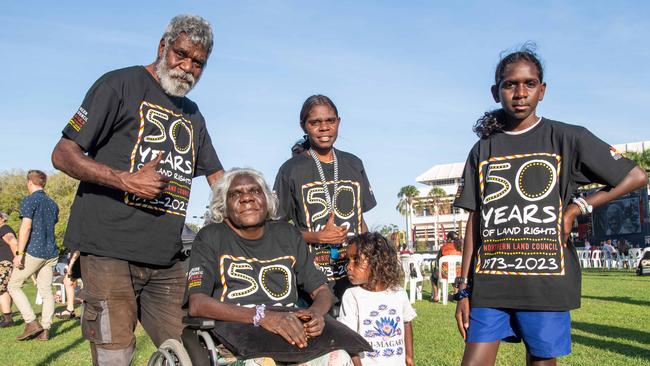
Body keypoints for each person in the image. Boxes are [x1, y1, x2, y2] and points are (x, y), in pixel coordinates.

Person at [453, 45, 648, 366]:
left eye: (529, 84)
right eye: (510, 84)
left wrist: (577, 208)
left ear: (542, 91)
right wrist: (463, 288)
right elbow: (475, 219)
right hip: (491, 282)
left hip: (545, 282)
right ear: (495, 91)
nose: (520, 92)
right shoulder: (483, 148)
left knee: (541, 361)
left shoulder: (568, 137)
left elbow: (635, 176)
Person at [50, 14, 224, 365]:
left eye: (198, 63)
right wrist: (126, 179)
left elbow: (219, 178)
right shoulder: (119, 84)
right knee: (116, 353)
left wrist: (257, 217)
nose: (187, 67)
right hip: (109, 248)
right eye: (181, 54)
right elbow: (62, 153)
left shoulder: (193, 115)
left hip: (166, 259)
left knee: (194, 352)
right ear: (162, 46)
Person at [187, 168, 352, 365]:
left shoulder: (287, 234)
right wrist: (262, 316)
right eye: (235, 193)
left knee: (339, 358)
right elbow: (197, 304)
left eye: (255, 191)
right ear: (223, 205)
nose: (247, 198)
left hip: (292, 331)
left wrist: (316, 312)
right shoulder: (211, 237)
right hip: (239, 333)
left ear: (267, 200)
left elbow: (321, 290)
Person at [273, 95, 377, 311]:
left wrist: (373, 259)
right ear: (304, 125)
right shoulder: (291, 169)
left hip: (354, 272)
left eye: (330, 121)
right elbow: (276, 229)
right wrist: (316, 236)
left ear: (338, 122)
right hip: (312, 277)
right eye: (315, 122)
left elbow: (360, 220)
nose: (324, 128)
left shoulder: (353, 163)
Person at [337, 232, 416, 366]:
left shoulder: (399, 293)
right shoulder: (352, 296)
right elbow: (348, 338)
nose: (348, 266)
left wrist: (409, 356)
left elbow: (406, 323)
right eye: (348, 261)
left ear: (377, 262)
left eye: (356, 260)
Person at [7, 170, 59, 341]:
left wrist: (19, 253)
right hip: (51, 252)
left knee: (13, 285)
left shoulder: (30, 200)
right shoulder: (53, 204)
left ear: (29, 182)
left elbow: (26, 228)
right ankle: (45, 330)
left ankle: (31, 322)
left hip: (34, 251)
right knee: (46, 291)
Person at [430, 231, 462, 302]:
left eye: (447, 238)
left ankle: (436, 296)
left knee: (433, 276)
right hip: (458, 274)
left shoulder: (443, 247)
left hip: (445, 274)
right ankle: (456, 293)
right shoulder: (460, 248)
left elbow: (438, 261)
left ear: (449, 239)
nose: (446, 240)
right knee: (454, 273)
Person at [0, 212, 18, 327]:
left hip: (5, 263)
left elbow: (13, 241)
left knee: (2, 290)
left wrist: (17, 257)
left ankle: (8, 319)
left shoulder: (4, 228)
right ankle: (6, 317)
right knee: (4, 289)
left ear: (1, 218)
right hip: (5, 263)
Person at [55, 250, 80, 320]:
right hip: (78, 256)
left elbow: (80, 244)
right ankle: (70, 310)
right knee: (68, 281)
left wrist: (71, 263)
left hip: (81, 255)